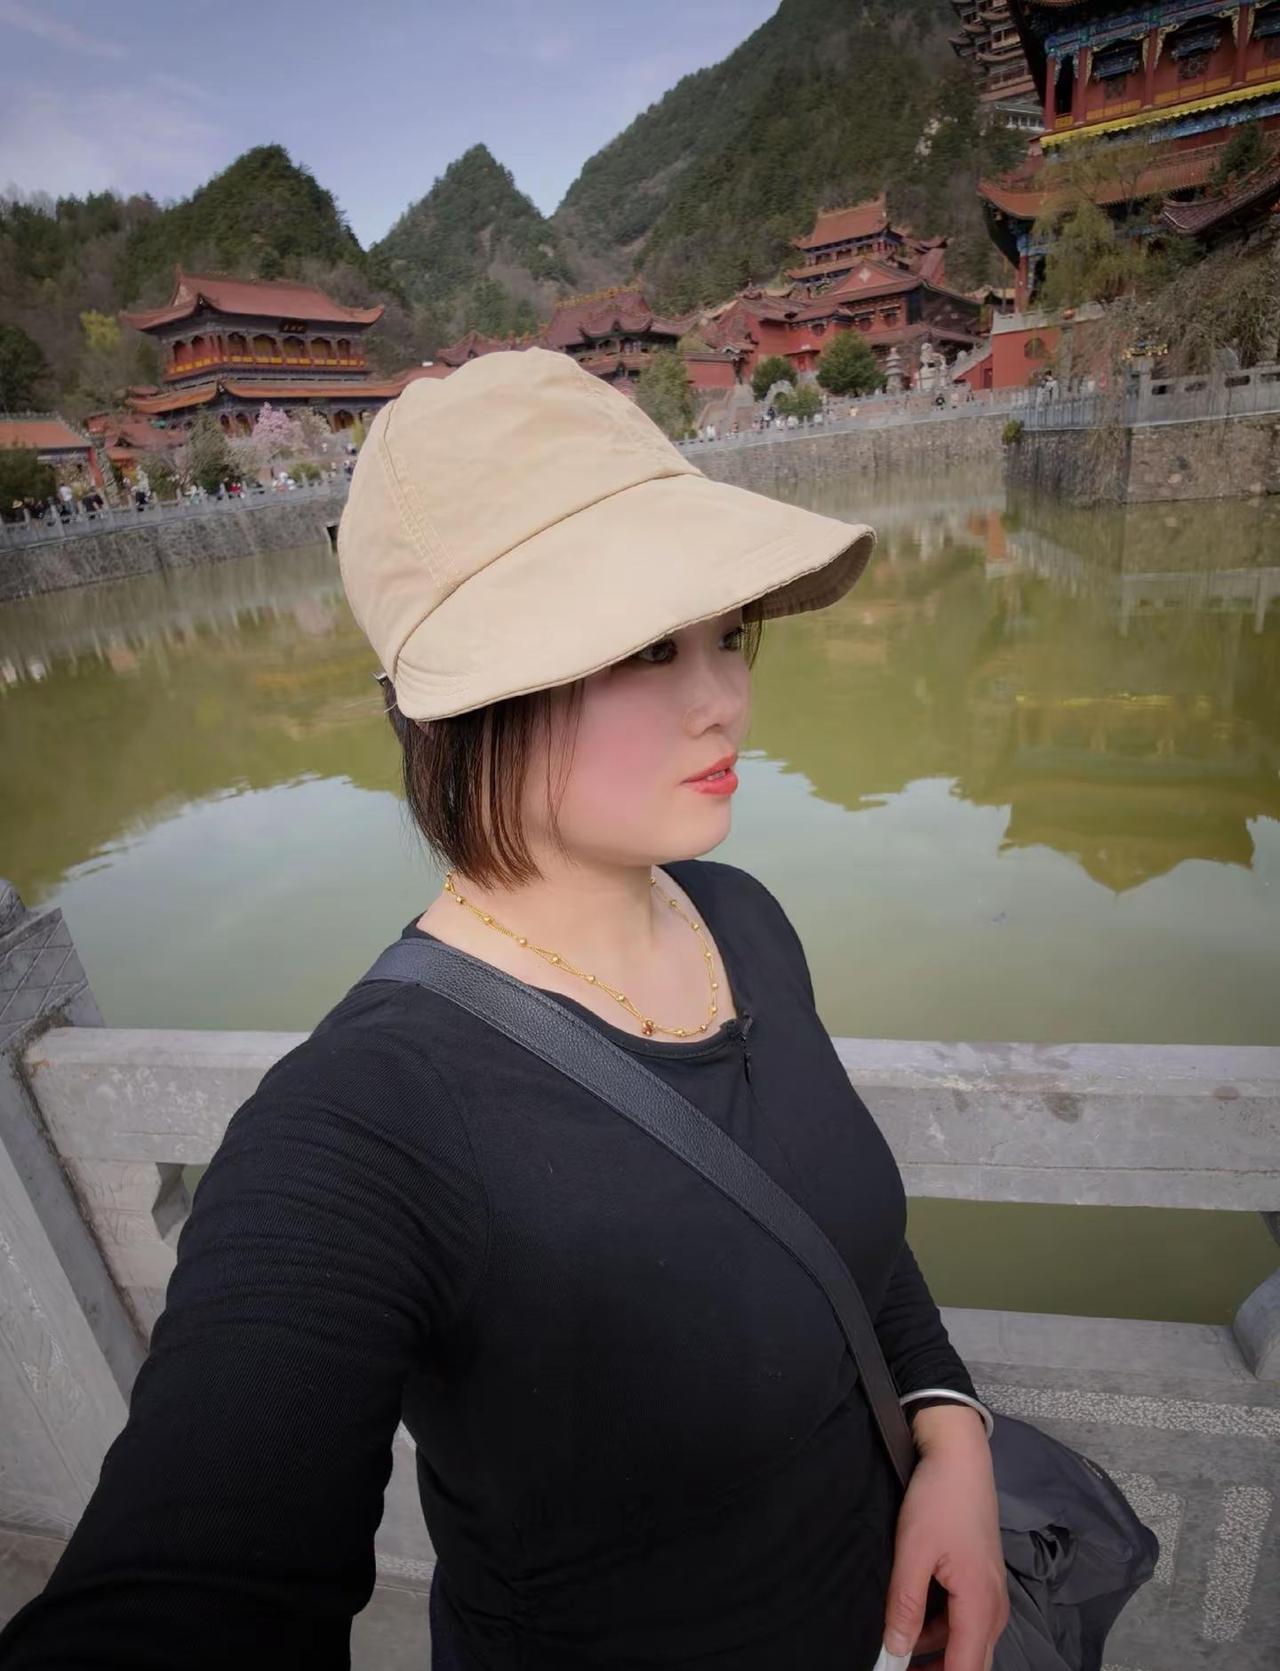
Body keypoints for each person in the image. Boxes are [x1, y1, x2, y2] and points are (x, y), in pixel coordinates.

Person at [0, 349, 1007, 1671]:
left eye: (728, 633)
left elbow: (837, 1223)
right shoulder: (364, 1125)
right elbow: (195, 1568)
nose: (725, 699)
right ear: (472, 698)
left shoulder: (740, 918)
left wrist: (950, 1426)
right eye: (646, 646)